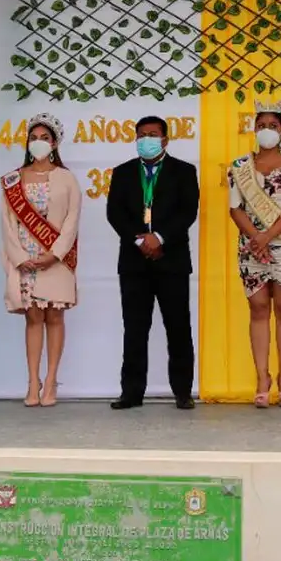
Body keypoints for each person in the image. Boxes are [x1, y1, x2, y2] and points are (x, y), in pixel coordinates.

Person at [106, 115, 199, 410]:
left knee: (178, 328)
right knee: (134, 329)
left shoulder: (184, 171)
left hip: (171, 260)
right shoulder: (122, 173)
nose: (146, 139)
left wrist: (159, 237)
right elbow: (115, 213)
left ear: (165, 140)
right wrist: (139, 240)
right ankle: (131, 393)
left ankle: (183, 392)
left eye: (153, 134)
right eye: (142, 134)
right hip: (133, 263)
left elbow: (188, 212)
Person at [228, 100, 281, 408]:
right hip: (252, 247)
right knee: (258, 308)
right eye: (261, 126)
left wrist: (267, 236)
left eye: (272, 126)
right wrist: (256, 238)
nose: (266, 131)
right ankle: (262, 379)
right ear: (253, 130)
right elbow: (235, 209)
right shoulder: (239, 167)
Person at [0, 113, 82, 407]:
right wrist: (20, 257)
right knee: (33, 317)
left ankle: (51, 381)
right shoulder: (13, 179)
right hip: (26, 260)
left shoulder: (67, 178)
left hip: (55, 260)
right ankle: (32, 382)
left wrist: (55, 253)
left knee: (54, 316)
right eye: (33, 138)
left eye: (44, 138)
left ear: (55, 142)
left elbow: (72, 220)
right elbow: (7, 223)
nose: (38, 143)